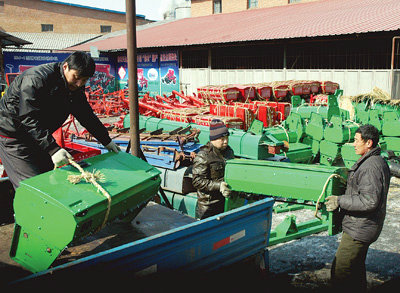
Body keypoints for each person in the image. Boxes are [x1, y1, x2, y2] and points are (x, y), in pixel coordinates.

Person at [0, 51, 120, 189]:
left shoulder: (75, 87)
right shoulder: (36, 79)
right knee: (33, 187)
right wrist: (53, 149)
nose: (79, 83)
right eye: (76, 77)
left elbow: (86, 115)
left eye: (84, 80)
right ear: (65, 67)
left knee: (52, 180)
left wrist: (106, 140)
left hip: (38, 137)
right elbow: (28, 117)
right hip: (14, 137)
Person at [325, 124, 390, 291]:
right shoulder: (374, 161)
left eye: (356, 140)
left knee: (341, 271)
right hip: (364, 226)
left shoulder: (370, 167)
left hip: (359, 229)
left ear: (368, 143)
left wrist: (340, 200)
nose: (353, 144)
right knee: (355, 270)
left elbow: (369, 201)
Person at [192, 119, 234, 219]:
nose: (225, 141)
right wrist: (219, 186)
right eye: (222, 139)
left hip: (226, 203)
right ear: (213, 139)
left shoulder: (229, 152)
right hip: (209, 207)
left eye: (227, 138)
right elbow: (197, 181)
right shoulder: (203, 156)